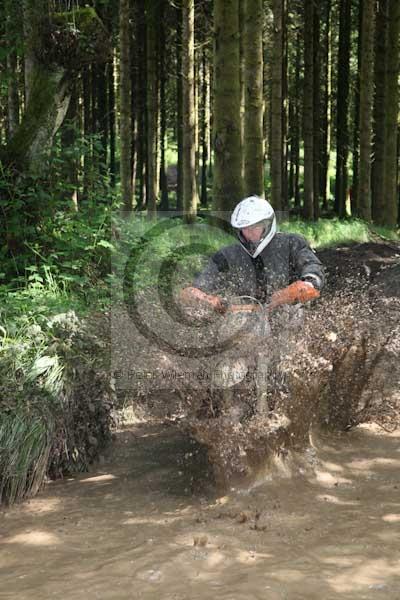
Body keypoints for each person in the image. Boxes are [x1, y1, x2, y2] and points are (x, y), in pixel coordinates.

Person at [180, 195, 325, 314]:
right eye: (245, 228)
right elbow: (189, 292)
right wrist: (209, 300)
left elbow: (313, 274)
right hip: (245, 319)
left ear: (267, 225)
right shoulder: (227, 255)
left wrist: (286, 294)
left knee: (294, 313)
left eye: (255, 227)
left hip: (289, 313)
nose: (250, 233)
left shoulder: (291, 243)